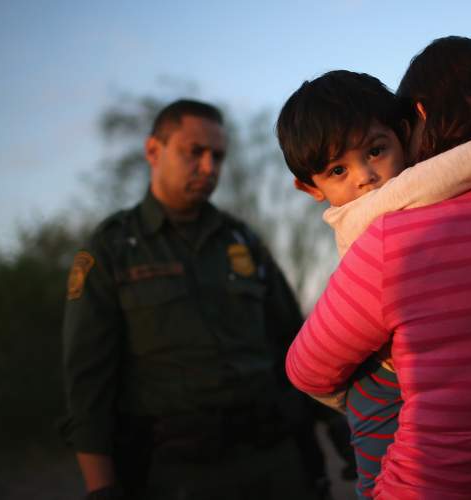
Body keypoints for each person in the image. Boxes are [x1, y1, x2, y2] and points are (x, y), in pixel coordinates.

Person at [286, 37, 471, 498]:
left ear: (414, 120)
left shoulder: (395, 234)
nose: (365, 178)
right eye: (338, 171)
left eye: (377, 151)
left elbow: (306, 370)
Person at [60, 99, 329, 500]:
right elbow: (87, 383)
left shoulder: (242, 240)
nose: (209, 167)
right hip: (176, 472)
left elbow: (297, 341)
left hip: (274, 460)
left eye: (217, 156)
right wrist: (101, 487)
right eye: (194, 152)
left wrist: (338, 429)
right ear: (154, 151)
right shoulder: (113, 249)